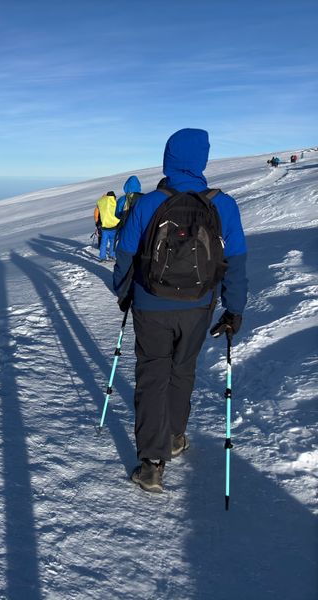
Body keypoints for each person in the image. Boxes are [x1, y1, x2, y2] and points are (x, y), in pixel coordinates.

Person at [112, 128, 248, 493]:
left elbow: (125, 255)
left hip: (150, 304)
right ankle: (174, 436)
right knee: (182, 369)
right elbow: (235, 262)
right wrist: (234, 311)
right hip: (199, 305)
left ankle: (152, 464)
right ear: (202, 160)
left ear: (168, 159)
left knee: (153, 373)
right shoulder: (223, 205)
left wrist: (123, 292)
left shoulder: (148, 203)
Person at [96, 191, 120, 260]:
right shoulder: (115, 202)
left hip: (105, 227)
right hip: (114, 226)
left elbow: (98, 203)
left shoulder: (102, 202)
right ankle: (111, 255)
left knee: (103, 243)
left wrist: (103, 197)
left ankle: (102, 257)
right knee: (113, 242)